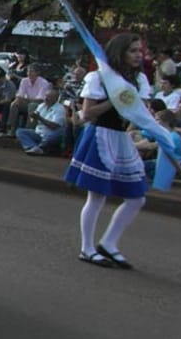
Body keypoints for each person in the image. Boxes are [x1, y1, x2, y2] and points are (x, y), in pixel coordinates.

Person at [64, 33, 151, 270]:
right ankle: (87, 248)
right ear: (120, 52)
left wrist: (154, 128)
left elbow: (139, 112)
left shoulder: (139, 79)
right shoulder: (99, 77)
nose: (138, 55)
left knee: (137, 197)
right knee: (97, 195)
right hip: (101, 136)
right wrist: (115, 100)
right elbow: (87, 114)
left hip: (122, 139)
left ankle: (109, 243)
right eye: (132, 50)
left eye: (139, 50)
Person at [16, 88, 66, 155]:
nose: (46, 98)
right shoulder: (41, 106)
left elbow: (54, 126)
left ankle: (35, 147)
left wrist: (39, 118)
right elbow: (33, 120)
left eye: (49, 97)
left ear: (56, 99)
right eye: (46, 96)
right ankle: (36, 147)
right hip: (38, 134)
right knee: (20, 131)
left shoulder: (60, 109)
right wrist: (32, 117)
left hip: (51, 135)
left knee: (49, 138)